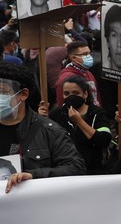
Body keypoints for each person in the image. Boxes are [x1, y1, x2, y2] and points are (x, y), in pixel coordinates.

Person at [2, 64, 86, 192]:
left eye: (2, 92)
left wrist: (34, 175)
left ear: (23, 94)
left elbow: (76, 168)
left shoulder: (49, 130)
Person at [48, 75, 111, 173]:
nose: (70, 96)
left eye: (75, 93)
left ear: (85, 94)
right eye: (66, 93)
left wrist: (79, 122)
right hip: (65, 170)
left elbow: (104, 139)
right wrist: (42, 118)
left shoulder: (97, 113)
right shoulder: (57, 114)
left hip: (91, 170)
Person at [56, 41, 102, 108]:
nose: (89, 56)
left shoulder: (88, 73)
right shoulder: (66, 78)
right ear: (74, 58)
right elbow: (62, 104)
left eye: (89, 53)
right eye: (85, 54)